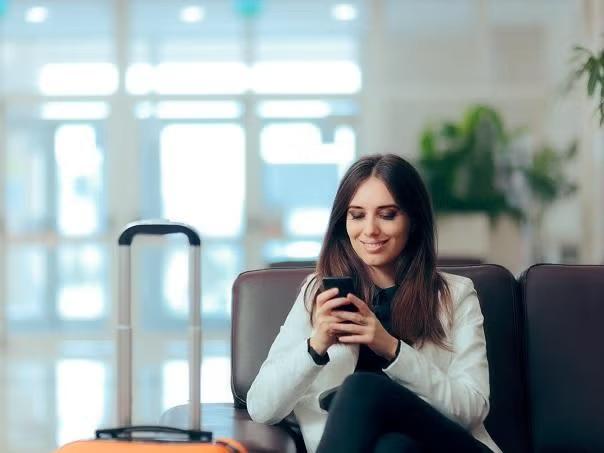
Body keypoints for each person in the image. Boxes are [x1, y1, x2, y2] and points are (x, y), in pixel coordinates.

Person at [246, 154, 501, 453]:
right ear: (344, 222)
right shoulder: (318, 294)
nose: (370, 230)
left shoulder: (455, 295)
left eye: (387, 214)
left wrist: (391, 349)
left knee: (360, 390)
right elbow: (261, 407)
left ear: (413, 220)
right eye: (357, 215)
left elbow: (472, 408)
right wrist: (316, 345)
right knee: (393, 448)